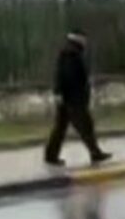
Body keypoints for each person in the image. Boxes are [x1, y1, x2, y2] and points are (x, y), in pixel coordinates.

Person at [44, 30, 112, 166]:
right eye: (84, 39)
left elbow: (60, 75)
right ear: (78, 39)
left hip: (66, 97)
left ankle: (51, 156)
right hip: (73, 98)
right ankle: (95, 153)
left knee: (60, 127)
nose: (86, 42)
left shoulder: (69, 52)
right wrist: (78, 88)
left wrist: (58, 93)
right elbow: (67, 76)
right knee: (86, 126)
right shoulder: (72, 54)